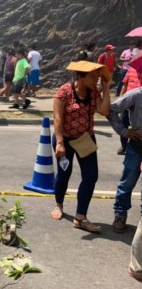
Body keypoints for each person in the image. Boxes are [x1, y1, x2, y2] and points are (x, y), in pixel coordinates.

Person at [50, 62, 111, 233]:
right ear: (80, 77)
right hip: (65, 139)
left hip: (85, 139)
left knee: (91, 176)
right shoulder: (65, 91)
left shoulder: (94, 92)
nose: (96, 80)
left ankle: (80, 217)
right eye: (92, 77)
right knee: (64, 173)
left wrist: (106, 89)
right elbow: (57, 118)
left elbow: (104, 111)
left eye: (97, 77)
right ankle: (59, 205)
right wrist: (60, 143)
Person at [107, 74, 142, 233]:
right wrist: (123, 131)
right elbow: (111, 110)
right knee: (127, 182)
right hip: (136, 146)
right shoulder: (136, 95)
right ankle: (120, 214)